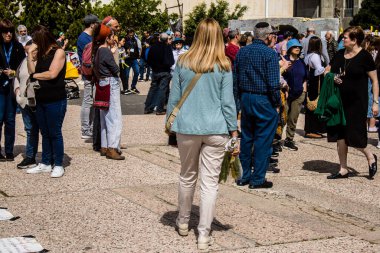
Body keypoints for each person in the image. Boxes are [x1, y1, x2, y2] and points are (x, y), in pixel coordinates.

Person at [167, 18, 238, 251]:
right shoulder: (223, 63)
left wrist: (170, 123)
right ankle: (204, 234)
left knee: (187, 176)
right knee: (210, 183)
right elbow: (228, 103)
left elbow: (174, 98)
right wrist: (234, 131)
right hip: (216, 128)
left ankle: (183, 221)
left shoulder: (184, 61)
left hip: (187, 126)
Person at [326, 26, 379, 180]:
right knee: (340, 135)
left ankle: (370, 156)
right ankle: (343, 169)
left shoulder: (365, 57)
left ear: (355, 40)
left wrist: (375, 102)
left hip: (357, 103)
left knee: (354, 136)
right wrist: (332, 77)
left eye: (346, 37)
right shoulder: (339, 54)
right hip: (338, 102)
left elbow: (375, 81)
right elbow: (329, 70)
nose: (343, 39)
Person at [235, 22, 280, 189]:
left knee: (247, 137)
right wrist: (277, 103)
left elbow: (236, 78)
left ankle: (244, 175)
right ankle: (257, 178)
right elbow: (273, 84)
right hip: (263, 99)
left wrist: (238, 101)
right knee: (263, 139)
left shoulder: (242, 52)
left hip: (246, 97)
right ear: (268, 36)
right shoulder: (269, 54)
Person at [26, 25, 67, 178]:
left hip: (55, 99)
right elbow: (32, 71)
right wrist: (30, 54)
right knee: (44, 132)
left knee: (55, 132)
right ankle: (45, 162)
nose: (33, 43)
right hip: (41, 98)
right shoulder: (41, 53)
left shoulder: (59, 52)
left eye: (35, 40)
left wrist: (35, 76)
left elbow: (52, 74)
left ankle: (58, 164)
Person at [92, 24, 124, 160]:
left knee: (104, 116)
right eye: (112, 36)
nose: (114, 38)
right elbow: (116, 69)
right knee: (114, 117)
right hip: (111, 82)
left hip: (102, 82)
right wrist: (114, 53)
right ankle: (113, 147)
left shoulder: (98, 49)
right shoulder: (105, 51)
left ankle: (105, 146)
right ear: (107, 37)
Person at [0, 19, 26, 161]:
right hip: (0, 87)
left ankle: (9, 150)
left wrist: (13, 73)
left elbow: (22, 68)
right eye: (5, 31)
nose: (8, 34)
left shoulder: (18, 47)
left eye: (10, 31)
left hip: (12, 87)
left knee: (10, 120)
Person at [14, 40, 39, 169]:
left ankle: (48, 157)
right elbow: (17, 77)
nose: (30, 53)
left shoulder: (42, 61)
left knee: (45, 131)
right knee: (30, 130)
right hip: (24, 102)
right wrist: (17, 91)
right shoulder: (24, 61)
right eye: (28, 51)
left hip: (39, 102)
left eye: (32, 50)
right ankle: (30, 157)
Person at [282, 39, 308, 151]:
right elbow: (280, 75)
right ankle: (276, 141)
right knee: (282, 118)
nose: (297, 48)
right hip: (286, 93)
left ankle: (289, 140)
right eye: (295, 47)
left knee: (293, 118)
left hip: (299, 94)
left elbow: (305, 77)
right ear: (289, 49)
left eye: (299, 47)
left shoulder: (302, 62)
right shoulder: (284, 60)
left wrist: (304, 90)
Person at [77, 14, 100, 140]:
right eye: (97, 23)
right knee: (87, 101)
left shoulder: (85, 37)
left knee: (89, 101)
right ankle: (85, 129)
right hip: (88, 74)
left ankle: (89, 127)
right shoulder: (85, 38)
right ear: (92, 24)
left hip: (89, 73)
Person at [145, 33, 174, 115]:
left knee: (153, 89)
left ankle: (148, 107)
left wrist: (154, 66)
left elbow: (149, 59)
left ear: (159, 38)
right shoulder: (167, 47)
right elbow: (171, 60)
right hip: (164, 71)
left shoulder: (153, 47)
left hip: (155, 71)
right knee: (162, 90)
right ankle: (159, 109)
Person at [304, 36, 327, 138]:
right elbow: (319, 70)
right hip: (316, 84)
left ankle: (310, 129)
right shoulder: (316, 56)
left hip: (311, 83)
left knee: (310, 105)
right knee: (315, 105)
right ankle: (312, 129)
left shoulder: (308, 55)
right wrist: (327, 68)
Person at [122, 28, 140, 94]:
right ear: (128, 33)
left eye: (132, 33)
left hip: (134, 59)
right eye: (130, 33)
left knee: (137, 72)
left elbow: (136, 49)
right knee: (126, 75)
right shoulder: (124, 39)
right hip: (127, 59)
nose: (131, 35)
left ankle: (133, 87)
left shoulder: (134, 40)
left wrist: (138, 57)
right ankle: (126, 88)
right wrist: (126, 48)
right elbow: (122, 45)